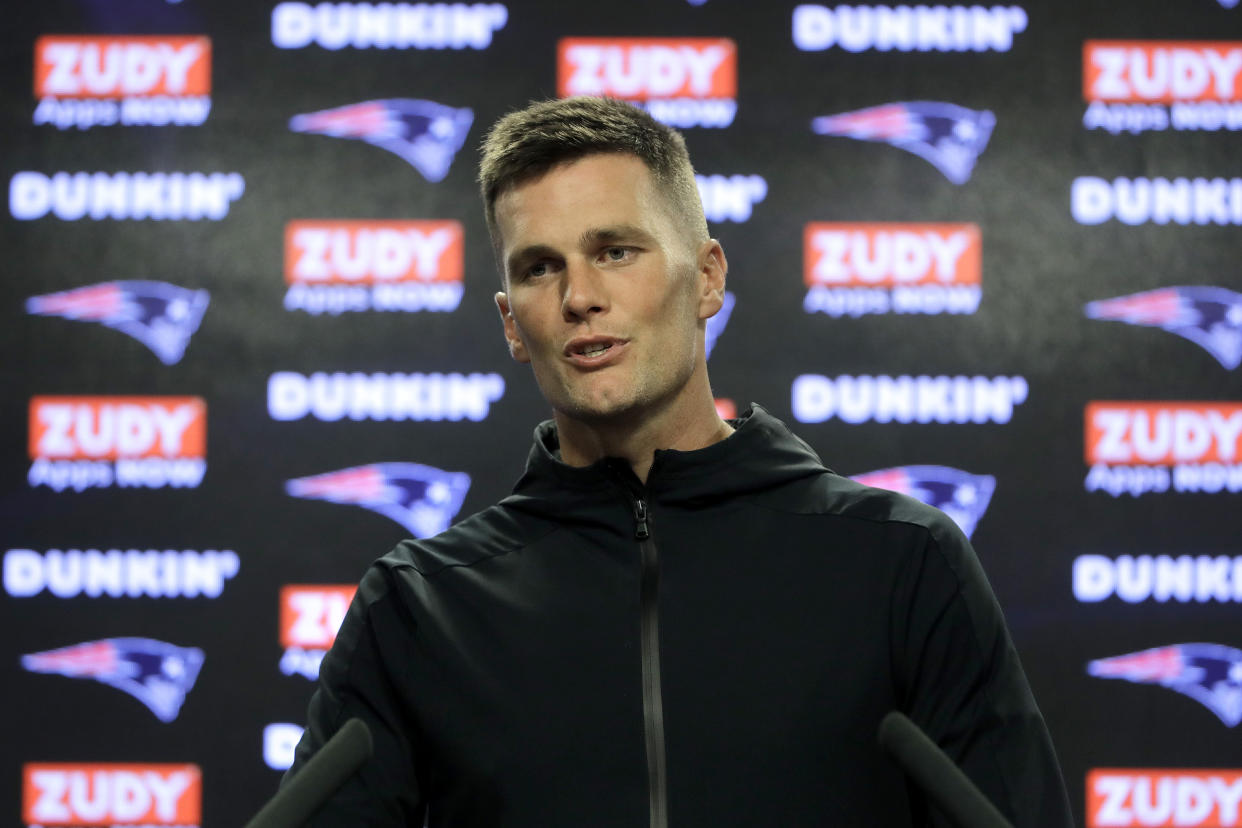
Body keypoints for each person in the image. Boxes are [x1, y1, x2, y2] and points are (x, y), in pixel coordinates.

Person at [284, 96, 1074, 826]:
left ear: (706, 278)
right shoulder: (419, 608)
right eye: (539, 267)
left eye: (616, 251)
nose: (579, 296)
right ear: (512, 325)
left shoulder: (903, 563)